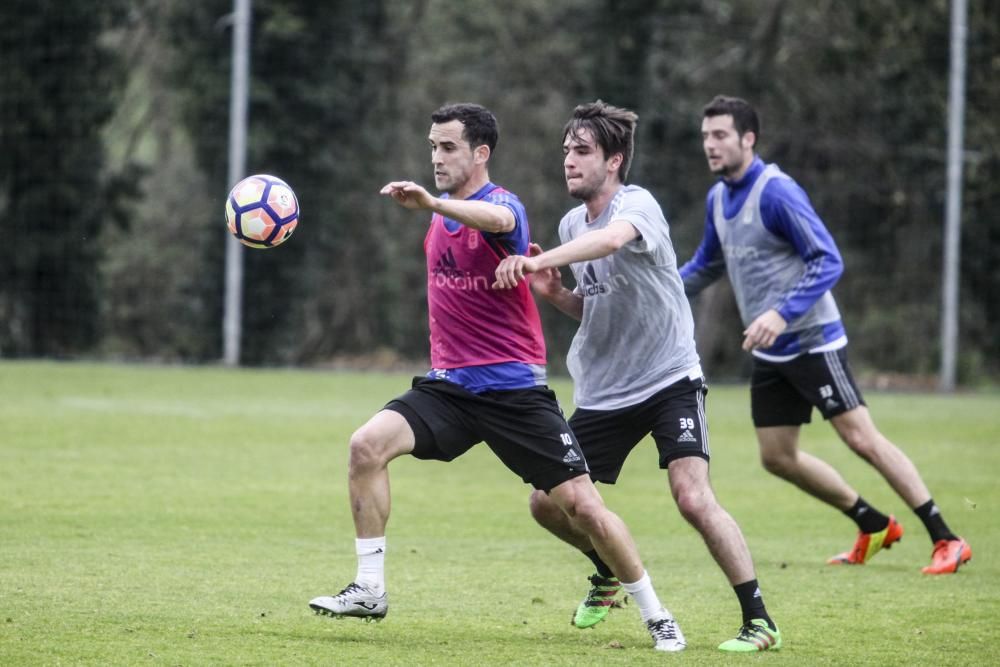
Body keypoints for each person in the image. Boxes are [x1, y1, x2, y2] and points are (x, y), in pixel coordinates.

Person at [308, 103, 685, 652]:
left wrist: (438, 202)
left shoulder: (500, 205)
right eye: (433, 147)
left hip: (513, 390)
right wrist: (437, 206)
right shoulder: (439, 216)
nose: (437, 157)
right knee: (366, 447)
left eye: (449, 147)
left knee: (580, 506)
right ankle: (369, 588)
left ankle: (657, 615)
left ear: (480, 153)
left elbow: (503, 224)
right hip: (451, 387)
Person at [494, 100, 781, 653]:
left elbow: (610, 241)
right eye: (566, 152)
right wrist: (557, 294)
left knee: (693, 498)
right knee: (544, 503)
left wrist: (535, 262)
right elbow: (599, 304)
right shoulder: (571, 222)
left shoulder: (637, 205)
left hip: (669, 378)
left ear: (615, 160)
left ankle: (758, 618)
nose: (569, 163)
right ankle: (606, 571)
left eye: (582, 152)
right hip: (604, 394)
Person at [680, 94, 972, 575]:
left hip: (813, 339)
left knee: (862, 439)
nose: (709, 144)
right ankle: (873, 522)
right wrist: (658, 287)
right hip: (771, 351)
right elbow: (706, 265)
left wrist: (780, 313)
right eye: (705, 135)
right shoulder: (718, 199)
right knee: (777, 456)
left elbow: (827, 259)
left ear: (747, 139)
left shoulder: (777, 192)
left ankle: (947, 537)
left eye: (720, 135)